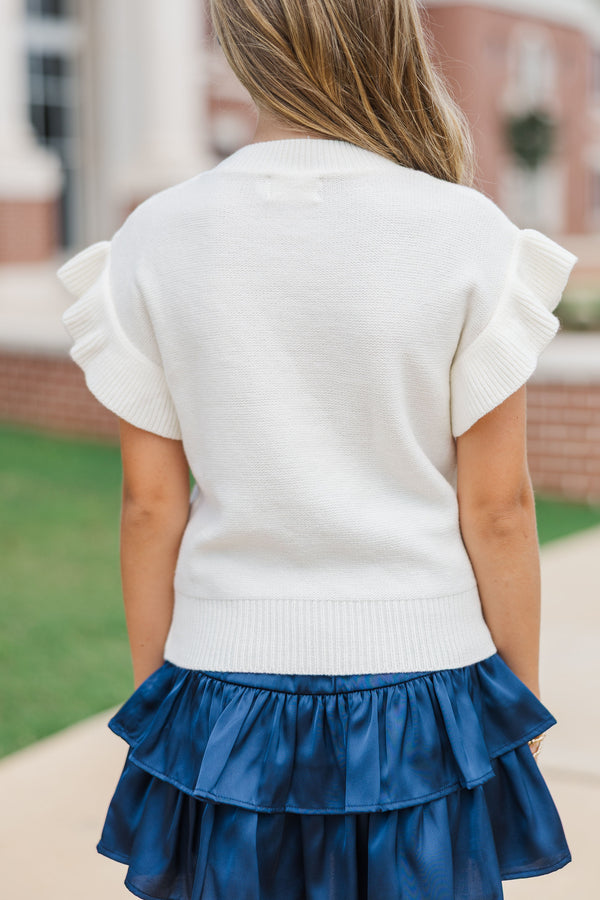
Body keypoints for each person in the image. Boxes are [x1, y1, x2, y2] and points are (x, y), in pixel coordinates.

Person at [56, 1, 577, 898]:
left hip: (223, 690)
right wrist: (513, 704)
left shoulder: (155, 234)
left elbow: (150, 504)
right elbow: (497, 508)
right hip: (424, 692)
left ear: (239, 42)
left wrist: (162, 697)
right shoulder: (468, 232)